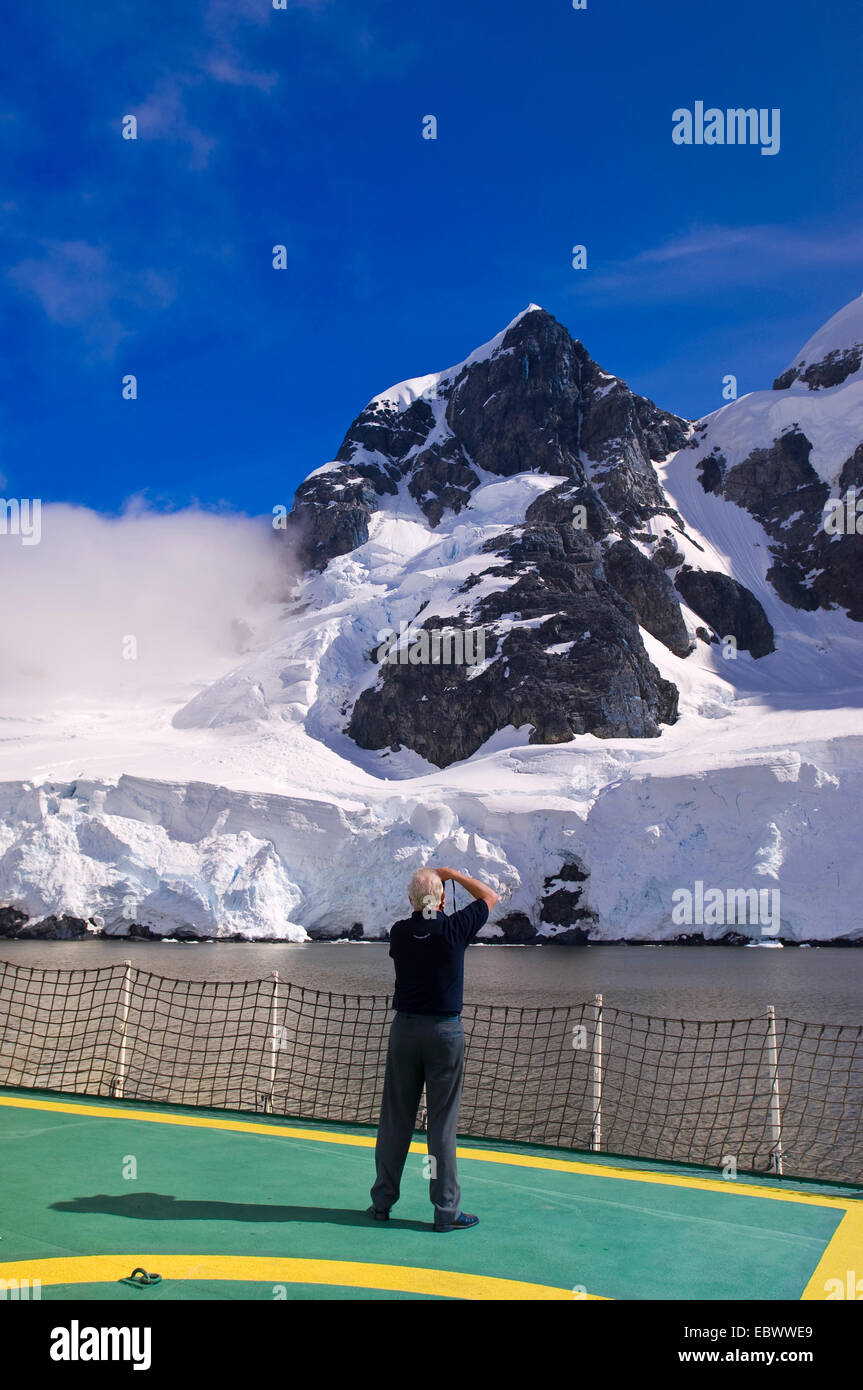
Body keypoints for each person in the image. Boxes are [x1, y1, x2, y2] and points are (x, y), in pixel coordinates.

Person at [368, 865, 498, 1232]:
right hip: (444, 1033)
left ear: (410, 900)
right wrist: (453, 876)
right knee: (442, 1123)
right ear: (442, 900)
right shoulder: (454, 930)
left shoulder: (399, 933)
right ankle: (445, 1212)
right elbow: (489, 897)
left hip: (405, 1030)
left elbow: (419, 923)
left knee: (395, 1119)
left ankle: (382, 1203)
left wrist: (432, 890)